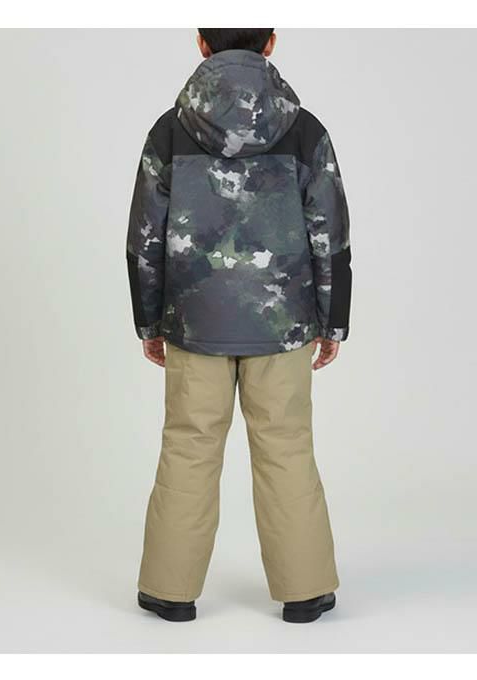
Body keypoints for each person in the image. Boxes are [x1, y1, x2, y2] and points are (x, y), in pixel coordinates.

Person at [126, 28, 352, 623]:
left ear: (201, 44)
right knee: (286, 444)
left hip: (194, 319)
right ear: (271, 43)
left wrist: (149, 321)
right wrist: (333, 321)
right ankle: (305, 592)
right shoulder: (305, 131)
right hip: (283, 323)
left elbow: (145, 237)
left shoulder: (169, 130)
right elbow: (330, 232)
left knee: (188, 444)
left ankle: (169, 592)